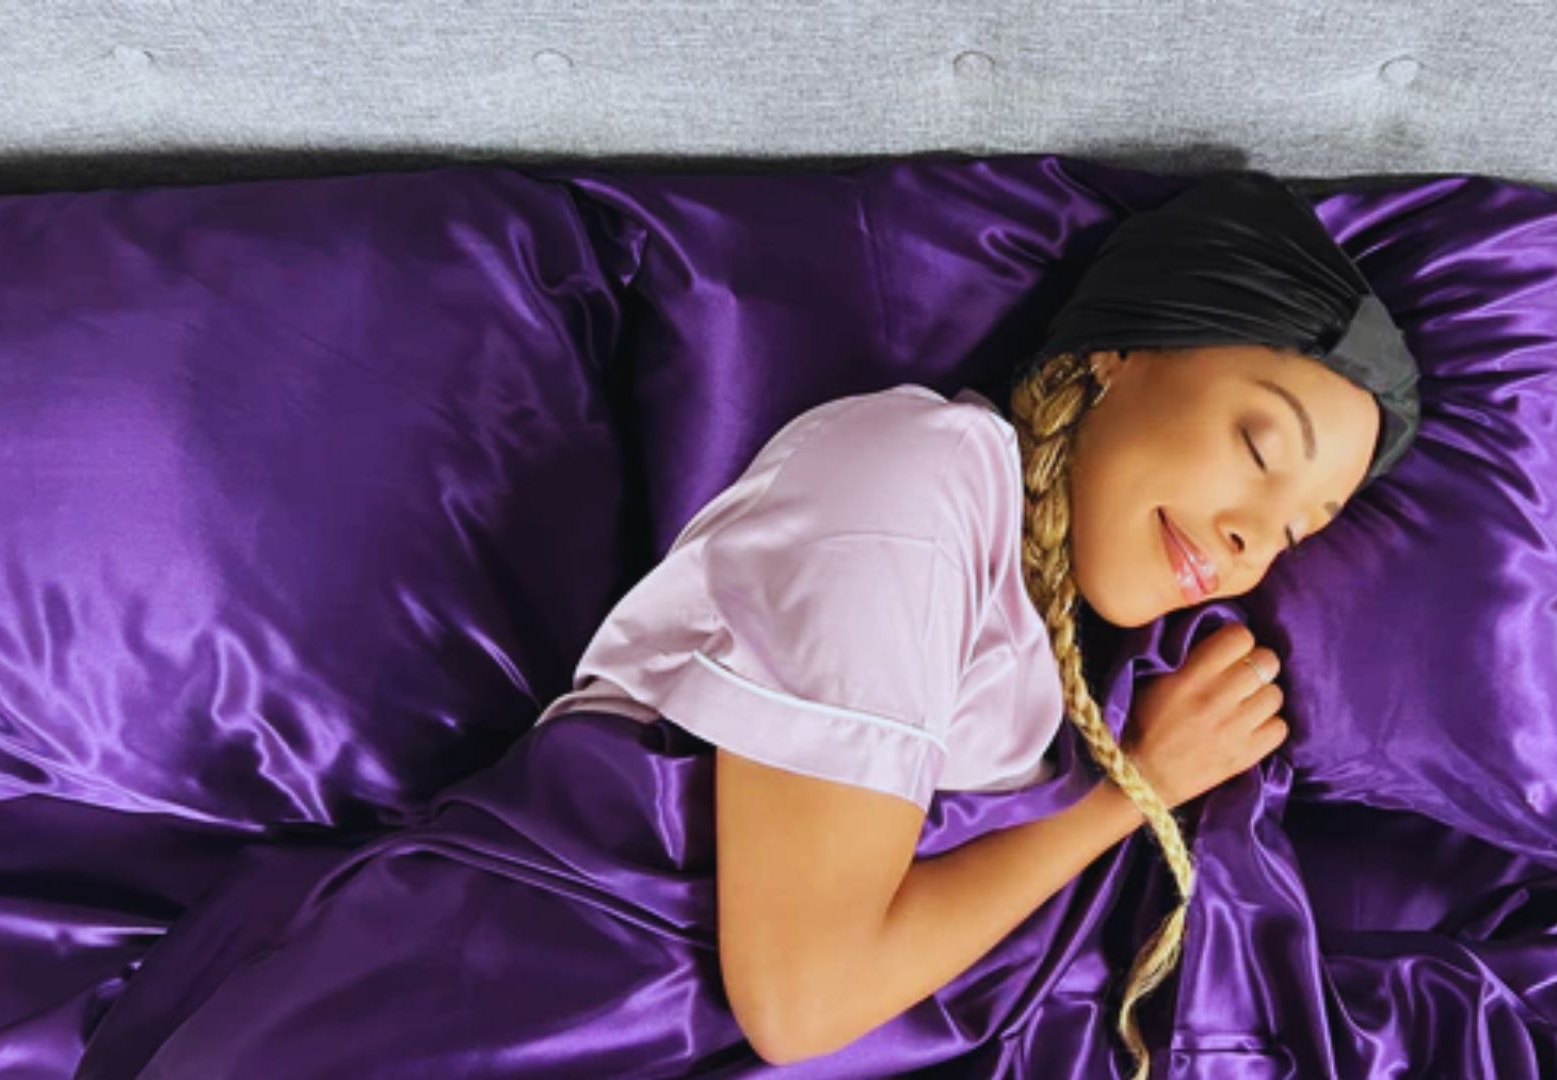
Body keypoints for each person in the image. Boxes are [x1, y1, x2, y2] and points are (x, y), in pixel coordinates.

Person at [534, 169, 1423, 1076]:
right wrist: (1134, 790)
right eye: (1259, 448)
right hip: (548, 997)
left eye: (1296, 531)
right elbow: (801, 1002)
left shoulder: (1044, 619)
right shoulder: (917, 484)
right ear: (1121, 352)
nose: (1251, 542)